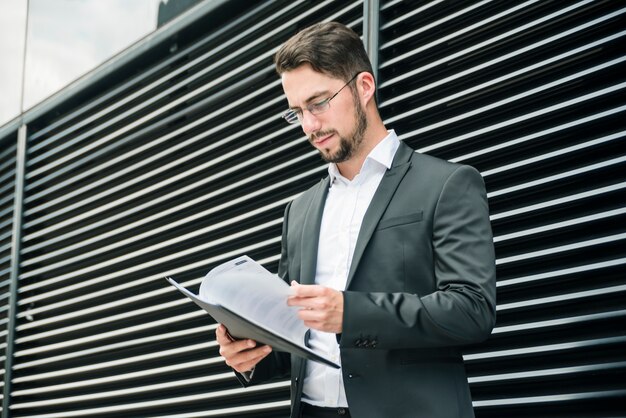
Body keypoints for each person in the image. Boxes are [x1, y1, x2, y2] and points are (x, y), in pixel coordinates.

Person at [216, 21, 496, 418]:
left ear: (364, 86)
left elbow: (473, 311)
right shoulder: (300, 210)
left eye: (318, 103)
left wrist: (352, 313)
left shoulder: (447, 184)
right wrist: (249, 352)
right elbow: (294, 338)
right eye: (297, 113)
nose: (309, 126)